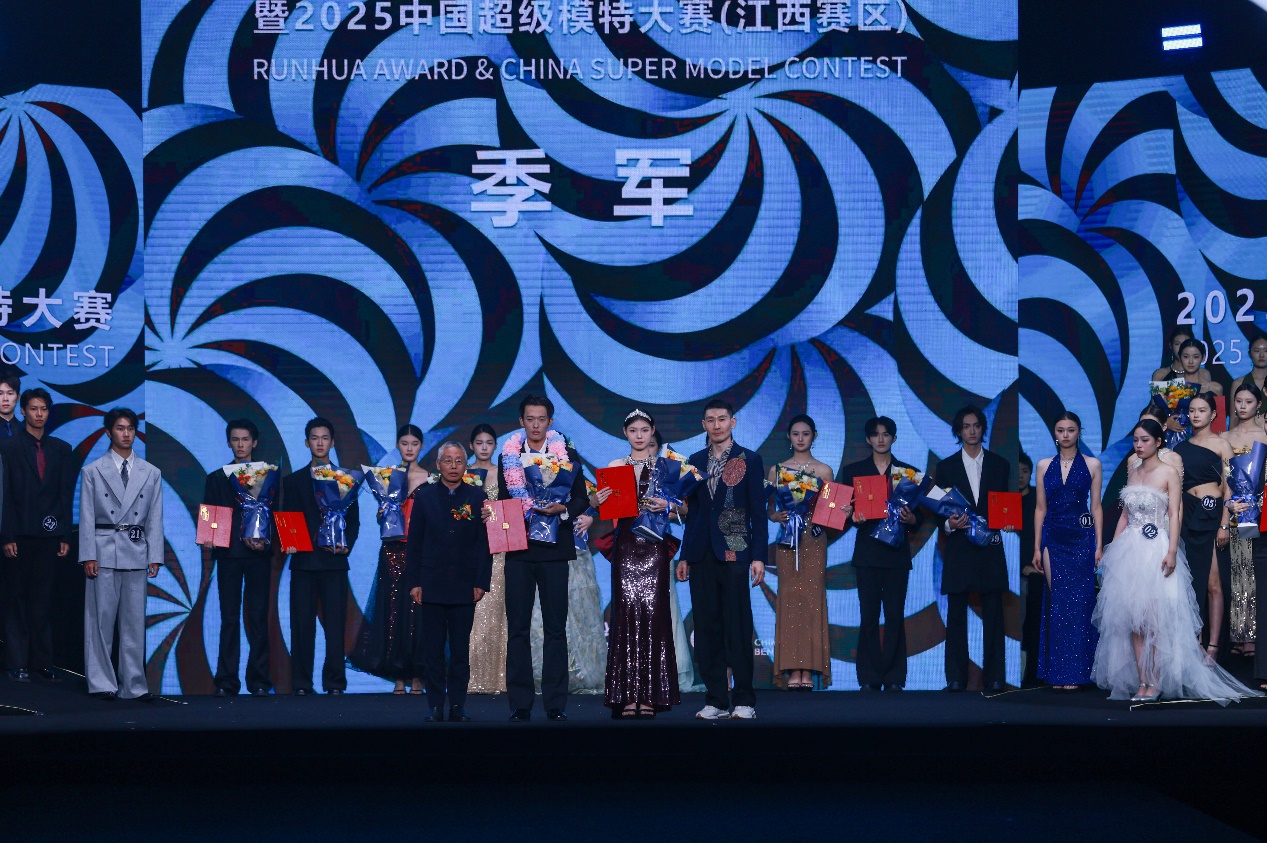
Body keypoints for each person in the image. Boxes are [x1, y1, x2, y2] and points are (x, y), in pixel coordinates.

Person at [1091, 418, 1259, 703]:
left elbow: (1175, 513)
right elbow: (1124, 515)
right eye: (1136, 440)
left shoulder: (1169, 471)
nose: (1139, 445)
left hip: (1156, 549)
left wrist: (1171, 551)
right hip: (1130, 549)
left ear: (1158, 442)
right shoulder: (1133, 471)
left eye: (1145, 440)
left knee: (1154, 619)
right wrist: (1112, 549)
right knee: (1133, 619)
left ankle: (1155, 681)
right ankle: (1143, 681)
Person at [497, 395, 594, 722]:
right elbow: (504, 502)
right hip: (519, 552)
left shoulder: (567, 454)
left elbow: (581, 498)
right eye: (530, 419)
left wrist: (563, 509)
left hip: (555, 551)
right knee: (518, 628)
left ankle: (555, 704)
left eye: (541, 419)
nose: (535, 424)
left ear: (550, 422)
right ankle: (520, 703)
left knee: (555, 628)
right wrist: (493, 517)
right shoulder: (508, 456)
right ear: (521, 421)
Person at [679, 399, 768, 719]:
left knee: (737, 625)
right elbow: (694, 513)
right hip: (701, 552)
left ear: (733, 422)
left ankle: (744, 700)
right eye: (710, 420)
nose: (716, 425)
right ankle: (715, 699)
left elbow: (758, 511)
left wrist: (758, 557)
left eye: (722, 419)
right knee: (706, 627)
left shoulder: (750, 459)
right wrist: (685, 555)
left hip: (735, 550)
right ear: (703, 425)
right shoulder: (694, 461)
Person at [594, 409, 681, 718]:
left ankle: (651, 696)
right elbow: (606, 509)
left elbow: (680, 511)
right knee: (625, 615)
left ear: (652, 431)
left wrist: (668, 505)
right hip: (626, 548)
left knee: (654, 616)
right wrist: (598, 501)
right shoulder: (616, 466)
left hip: (654, 548)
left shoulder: (666, 467)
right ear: (625, 433)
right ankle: (627, 695)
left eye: (644, 430)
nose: (639, 435)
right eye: (633, 430)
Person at [80, 408, 163, 701]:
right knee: (100, 621)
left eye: (130, 428)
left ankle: (134, 686)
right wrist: (88, 555)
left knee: (134, 622)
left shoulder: (151, 472)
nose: (126, 433)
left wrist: (155, 555)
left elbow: (155, 517)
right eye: (120, 428)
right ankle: (102, 683)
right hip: (103, 549)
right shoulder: (92, 471)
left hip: (136, 550)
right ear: (108, 432)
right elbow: (87, 516)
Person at [407, 441, 492, 722]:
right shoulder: (424, 497)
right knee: (432, 651)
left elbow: (484, 543)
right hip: (431, 584)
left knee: (459, 651)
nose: (453, 466)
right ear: (438, 465)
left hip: (465, 584)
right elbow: (414, 543)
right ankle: (435, 706)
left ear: (465, 465)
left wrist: (481, 581)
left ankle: (457, 706)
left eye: (458, 461)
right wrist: (414, 582)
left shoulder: (478, 497)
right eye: (448, 460)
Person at [840, 416, 922, 692]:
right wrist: (853, 516)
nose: (881, 439)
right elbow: (844, 512)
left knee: (895, 616)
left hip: (897, 554)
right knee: (869, 616)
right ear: (868, 439)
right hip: (868, 553)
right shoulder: (854, 471)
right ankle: (869, 677)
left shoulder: (909, 473)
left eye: (886, 434)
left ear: (894, 438)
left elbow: (920, 516)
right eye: (875, 434)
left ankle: (895, 677)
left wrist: (911, 518)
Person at [281, 417, 360, 695]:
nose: (320, 443)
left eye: (325, 438)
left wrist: (346, 544)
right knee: (301, 626)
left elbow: (354, 520)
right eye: (314, 438)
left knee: (335, 626)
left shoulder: (345, 479)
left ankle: (335, 683)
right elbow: (287, 517)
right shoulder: (293, 481)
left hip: (334, 562)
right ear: (307, 443)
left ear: (332, 442)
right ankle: (301, 684)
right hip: (303, 562)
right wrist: (289, 541)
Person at [935, 405, 1012, 692]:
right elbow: (938, 509)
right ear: (959, 431)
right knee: (956, 612)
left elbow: (1005, 506)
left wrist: (1008, 521)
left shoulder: (1000, 465)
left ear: (983, 428)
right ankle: (956, 678)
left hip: (990, 545)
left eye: (976, 425)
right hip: (958, 546)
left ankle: (995, 677)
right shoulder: (945, 467)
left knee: (994, 612)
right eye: (966, 426)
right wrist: (949, 524)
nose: (971, 431)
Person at [1, 388, 74, 683]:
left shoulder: (61, 449)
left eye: (43, 409)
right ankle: (17, 662)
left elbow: (65, 495)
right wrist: (7, 536)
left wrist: (65, 535)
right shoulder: (8, 448)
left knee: (43, 600)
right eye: (33, 408)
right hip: (18, 534)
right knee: (16, 601)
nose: (39, 414)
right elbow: (5, 495)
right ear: (23, 411)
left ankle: (42, 662)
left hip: (49, 535)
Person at [350, 424, 429, 694]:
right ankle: (397, 676)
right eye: (404, 443)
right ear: (398, 445)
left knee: (417, 613)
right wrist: (383, 514)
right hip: (393, 550)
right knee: (392, 612)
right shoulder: (387, 477)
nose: (409, 448)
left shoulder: (431, 478)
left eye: (414, 444)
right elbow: (384, 519)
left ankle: (417, 676)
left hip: (420, 552)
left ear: (421, 446)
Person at [202, 419, 274, 697]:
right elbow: (209, 514)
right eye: (235, 439)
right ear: (229, 443)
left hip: (258, 556)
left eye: (245, 439)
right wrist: (208, 534)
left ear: (254, 442)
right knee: (229, 618)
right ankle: (226, 681)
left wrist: (265, 539)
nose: (240, 444)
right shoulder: (217, 478)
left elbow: (276, 514)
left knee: (257, 617)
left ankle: (259, 681)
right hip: (228, 555)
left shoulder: (268, 476)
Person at [1032, 412, 1103, 691]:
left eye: (1070, 430)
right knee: (1059, 601)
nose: (1065, 434)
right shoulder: (1043, 465)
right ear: (1054, 433)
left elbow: (1096, 507)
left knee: (1081, 602)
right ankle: (1059, 673)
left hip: (1081, 538)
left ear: (1079, 432)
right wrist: (1036, 546)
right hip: (1053, 537)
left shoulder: (1093, 464)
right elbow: (1040, 508)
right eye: (1060, 430)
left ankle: (1078, 672)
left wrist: (1098, 544)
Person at [1172, 394, 1233, 662]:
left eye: (1202, 410)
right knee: (1190, 583)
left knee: (1213, 584)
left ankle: (1213, 647)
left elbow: (1230, 488)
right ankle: (1194, 644)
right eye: (1192, 410)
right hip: (1187, 516)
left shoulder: (1222, 444)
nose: (1196, 415)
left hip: (1212, 516)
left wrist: (1224, 524)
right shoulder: (1180, 448)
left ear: (1213, 414)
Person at [1220, 384, 1267, 659]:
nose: (1242, 406)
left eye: (1248, 401)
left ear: (1258, 405)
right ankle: (1239, 634)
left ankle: (1255, 637)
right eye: (1238, 401)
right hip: (1234, 513)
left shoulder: (1264, 435)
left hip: (1259, 514)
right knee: (1237, 572)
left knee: (1255, 574)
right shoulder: (1224, 437)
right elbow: (1224, 481)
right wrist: (1229, 509)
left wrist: (1256, 503)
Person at [467, 423, 507, 694]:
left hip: (498, 549)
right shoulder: (462, 473)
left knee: (496, 611)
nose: (484, 447)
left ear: (495, 446)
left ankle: (498, 677)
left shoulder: (503, 474)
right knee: (470, 613)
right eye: (479, 443)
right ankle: (470, 677)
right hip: (468, 549)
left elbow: (512, 510)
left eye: (489, 443)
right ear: (472, 445)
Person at [1018, 453, 1043, 688]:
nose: (1020, 476)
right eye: (1016, 472)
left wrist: (1037, 565)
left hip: (1036, 572)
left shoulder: (1039, 499)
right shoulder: (1002, 499)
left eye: (1024, 471)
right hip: (1008, 573)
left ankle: (1033, 674)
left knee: (1034, 624)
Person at [1230, 334, 1267, 416]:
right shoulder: (1238, 383)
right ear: (1249, 353)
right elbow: (1234, 418)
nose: (1261, 355)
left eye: (1266, 351)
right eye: (1256, 351)